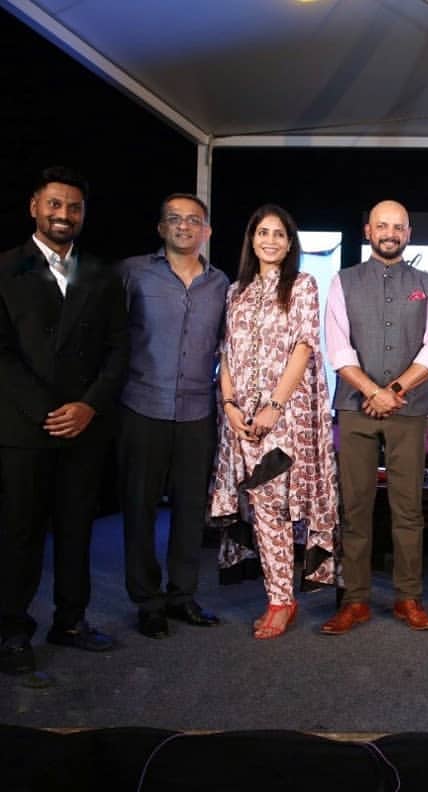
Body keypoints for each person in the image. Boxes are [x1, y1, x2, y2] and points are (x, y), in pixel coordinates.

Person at [0, 166, 128, 675]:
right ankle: (11, 629)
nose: (63, 215)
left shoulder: (101, 274)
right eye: (55, 204)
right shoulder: (5, 268)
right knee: (20, 532)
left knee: (77, 530)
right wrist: (46, 412)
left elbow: (119, 349)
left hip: (85, 426)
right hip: (22, 428)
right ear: (35, 206)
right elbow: (2, 355)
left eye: (73, 208)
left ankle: (70, 622)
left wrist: (88, 406)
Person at [209, 204, 338, 639]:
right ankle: (278, 595)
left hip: (285, 419)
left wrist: (274, 409)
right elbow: (226, 353)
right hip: (239, 418)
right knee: (261, 510)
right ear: (251, 239)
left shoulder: (302, 285)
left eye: (279, 234)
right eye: (262, 233)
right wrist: (228, 405)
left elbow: (303, 348)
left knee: (275, 506)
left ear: (289, 242)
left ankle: (282, 600)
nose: (270, 241)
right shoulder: (234, 290)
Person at [320, 200, 428, 635]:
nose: (390, 233)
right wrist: (372, 391)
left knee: (408, 508)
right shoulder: (343, 282)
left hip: (408, 409)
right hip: (355, 409)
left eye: (398, 227)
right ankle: (354, 600)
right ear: (368, 230)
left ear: (408, 233)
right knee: (355, 507)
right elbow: (338, 349)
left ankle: (407, 598)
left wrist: (392, 392)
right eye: (382, 226)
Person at [119, 193, 229, 639]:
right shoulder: (132, 273)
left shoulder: (222, 284)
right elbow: (111, 335)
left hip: (196, 412)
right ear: (161, 228)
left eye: (194, 220)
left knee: (189, 512)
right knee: (139, 509)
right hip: (141, 407)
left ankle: (183, 596)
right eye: (175, 219)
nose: (185, 226)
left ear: (206, 231)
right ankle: (147, 601)